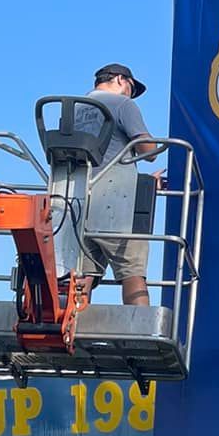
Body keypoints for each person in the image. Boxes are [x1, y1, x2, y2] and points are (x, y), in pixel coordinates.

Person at [82, 62, 160, 307]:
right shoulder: (122, 104)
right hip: (115, 202)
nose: (131, 94)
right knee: (132, 271)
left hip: (76, 203)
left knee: (82, 276)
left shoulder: (74, 109)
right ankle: (139, 325)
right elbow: (148, 151)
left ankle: (72, 324)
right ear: (119, 79)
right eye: (131, 88)